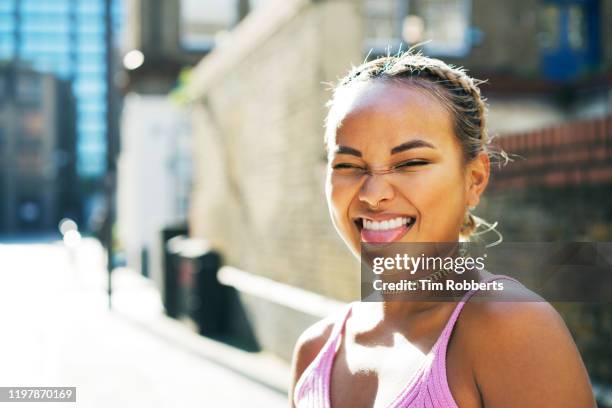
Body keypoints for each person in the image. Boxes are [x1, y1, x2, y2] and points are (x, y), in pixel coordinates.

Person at [289, 51, 596, 408]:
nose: (373, 195)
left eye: (411, 162)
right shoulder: (315, 351)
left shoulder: (511, 328)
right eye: (349, 164)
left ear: (475, 179)